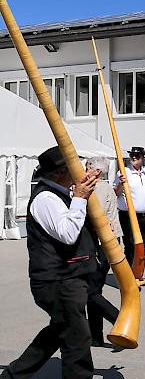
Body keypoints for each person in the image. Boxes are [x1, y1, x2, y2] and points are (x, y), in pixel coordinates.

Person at [1, 147, 98, 379]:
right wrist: (80, 198)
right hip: (57, 281)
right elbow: (67, 233)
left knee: (59, 331)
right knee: (77, 339)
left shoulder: (62, 194)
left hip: (66, 278)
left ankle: (14, 375)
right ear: (61, 172)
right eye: (73, 167)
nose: (79, 171)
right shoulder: (46, 198)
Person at [85, 157, 122, 348]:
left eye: (88, 167)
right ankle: (95, 336)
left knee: (90, 292)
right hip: (104, 243)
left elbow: (93, 215)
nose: (84, 170)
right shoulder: (105, 187)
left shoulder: (98, 189)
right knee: (94, 290)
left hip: (101, 244)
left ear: (97, 172)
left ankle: (120, 320)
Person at [113, 146, 145, 262]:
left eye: (137, 156)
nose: (134, 158)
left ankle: (138, 271)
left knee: (143, 243)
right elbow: (115, 193)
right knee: (131, 245)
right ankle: (131, 274)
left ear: (142, 158)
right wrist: (121, 184)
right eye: (132, 156)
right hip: (129, 215)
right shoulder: (123, 172)